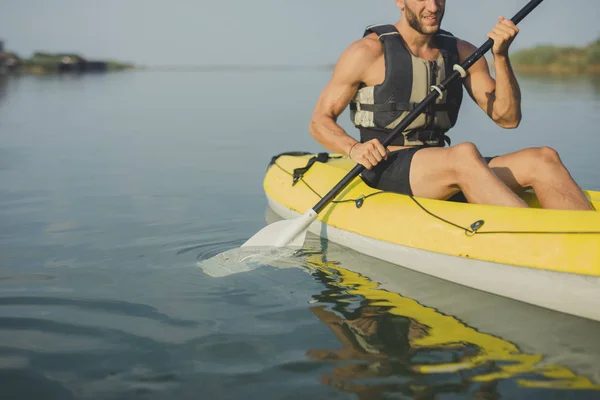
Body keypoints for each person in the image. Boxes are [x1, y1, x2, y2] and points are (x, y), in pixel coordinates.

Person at [308, 0, 593, 210]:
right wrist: (353, 148)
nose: (433, 6)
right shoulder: (366, 52)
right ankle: (536, 241)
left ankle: (588, 244)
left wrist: (501, 56)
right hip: (385, 164)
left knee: (543, 159)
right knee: (464, 155)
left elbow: (507, 119)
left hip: (441, 163)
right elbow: (320, 120)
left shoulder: (461, 52)